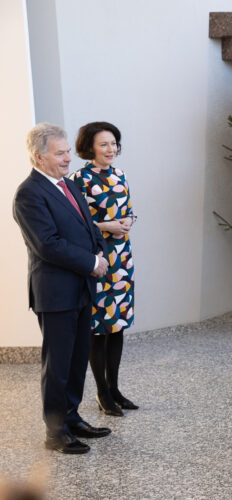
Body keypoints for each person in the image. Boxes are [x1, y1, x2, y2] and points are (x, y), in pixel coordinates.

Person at [13, 123, 111, 454]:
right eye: (60, 153)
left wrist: (99, 253)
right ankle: (55, 433)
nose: (69, 158)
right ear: (39, 156)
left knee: (76, 359)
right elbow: (48, 245)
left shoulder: (66, 185)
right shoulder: (29, 194)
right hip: (55, 294)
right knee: (57, 365)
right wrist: (90, 262)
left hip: (81, 288)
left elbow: (88, 227)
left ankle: (71, 418)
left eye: (68, 151)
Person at [71, 122, 138, 416]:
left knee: (118, 325)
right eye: (104, 145)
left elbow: (127, 210)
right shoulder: (79, 179)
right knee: (99, 328)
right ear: (89, 147)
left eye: (114, 144)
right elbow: (73, 225)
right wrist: (106, 226)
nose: (111, 150)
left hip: (122, 257)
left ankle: (115, 389)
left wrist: (127, 222)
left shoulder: (120, 174)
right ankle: (101, 393)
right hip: (98, 260)